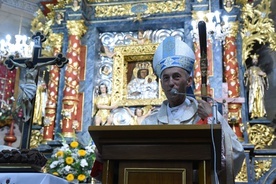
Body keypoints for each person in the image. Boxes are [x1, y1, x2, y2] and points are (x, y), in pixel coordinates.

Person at [141, 36, 245, 183]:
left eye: (176, 77)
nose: (171, 83)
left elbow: (236, 152)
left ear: (189, 81)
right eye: (166, 78)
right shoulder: (150, 122)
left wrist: (212, 119)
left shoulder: (206, 115)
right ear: (161, 84)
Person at [244, 53, 269, 119]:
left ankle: (261, 113)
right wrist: (246, 76)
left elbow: (264, 75)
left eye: (256, 60)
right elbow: (246, 79)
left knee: (260, 98)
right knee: (253, 98)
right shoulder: (250, 69)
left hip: (259, 85)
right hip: (253, 86)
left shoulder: (259, 69)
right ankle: (253, 113)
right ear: (252, 61)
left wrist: (264, 75)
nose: (255, 61)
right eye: (254, 59)